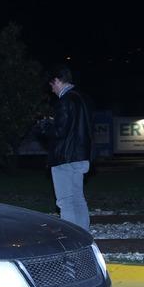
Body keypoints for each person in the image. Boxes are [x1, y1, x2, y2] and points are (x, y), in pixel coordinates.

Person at [44, 64, 93, 231]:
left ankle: (71, 238)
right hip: (81, 155)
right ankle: (84, 235)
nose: (52, 90)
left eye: (51, 85)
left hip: (65, 157)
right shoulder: (82, 98)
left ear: (57, 81)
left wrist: (45, 126)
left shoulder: (65, 101)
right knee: (78, 198)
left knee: (65, 201)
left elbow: (60, 131)